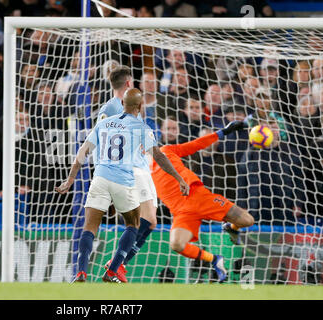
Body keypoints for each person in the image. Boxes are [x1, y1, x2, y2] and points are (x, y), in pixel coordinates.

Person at [56, 88, 189, 283]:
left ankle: (81, 272)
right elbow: (159, 156)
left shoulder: (103, 123)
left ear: (122, 104)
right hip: (123, 181)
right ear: (140, 106)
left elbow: (82, 153)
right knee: (133, 224)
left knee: (90, 226)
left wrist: (69, 180)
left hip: (100, 178)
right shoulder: (140, 127)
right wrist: (179, 178)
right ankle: (112, 270)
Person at [150, 119, 255, 282]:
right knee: (177, 244)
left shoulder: (167, 150)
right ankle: (214, 259)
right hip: (181, 211)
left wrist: (223, 132)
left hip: (199, 197)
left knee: (248, 220)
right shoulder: (139, 171)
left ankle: (231, 227)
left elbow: (196, 144)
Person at [96, 66, 161, 282]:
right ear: (127, 84)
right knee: (145, 220)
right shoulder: (112, 108)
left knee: (150, 221)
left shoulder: (124, 107)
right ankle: (115, 265)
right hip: (131, 170)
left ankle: (116, 265)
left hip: (140, 167)